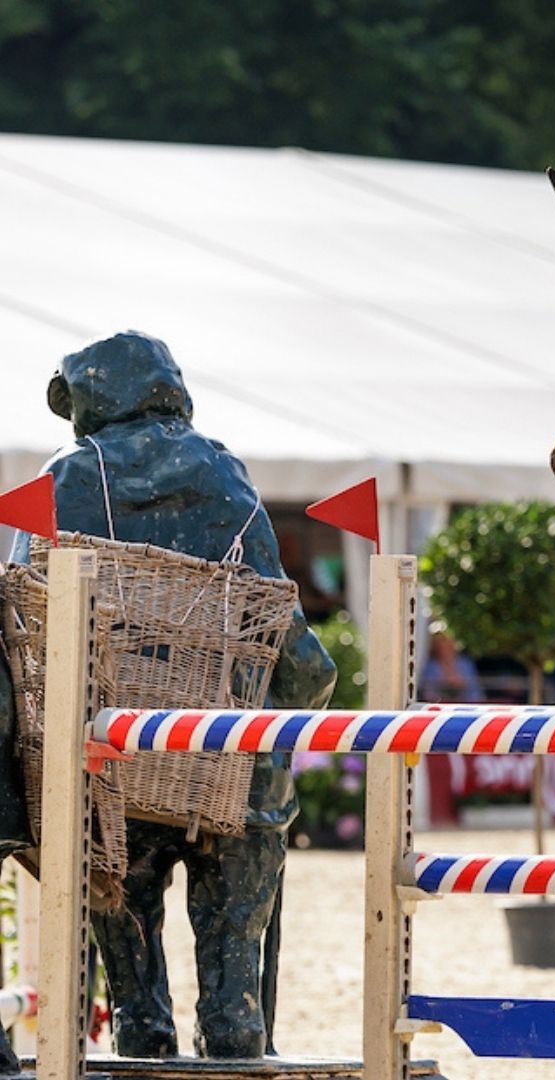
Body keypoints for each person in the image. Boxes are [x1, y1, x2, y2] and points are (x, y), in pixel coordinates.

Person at [20, 331, 336, 1058]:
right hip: (226, 765)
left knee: (122, 914)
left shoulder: (64, 478)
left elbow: (30, 627)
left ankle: (141, 1031)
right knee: (236, 961)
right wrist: (278, 735)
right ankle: (234, 1024)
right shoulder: (224, 474)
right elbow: (287, 644)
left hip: (114, 768)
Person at [419, 630, 483, 703]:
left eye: (449, 644)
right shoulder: (431, 666)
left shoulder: (465, 663)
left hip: (465, 705)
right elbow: (427, 692)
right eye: (442, 645)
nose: (446, 648)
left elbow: (475, 691)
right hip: (439, 706)